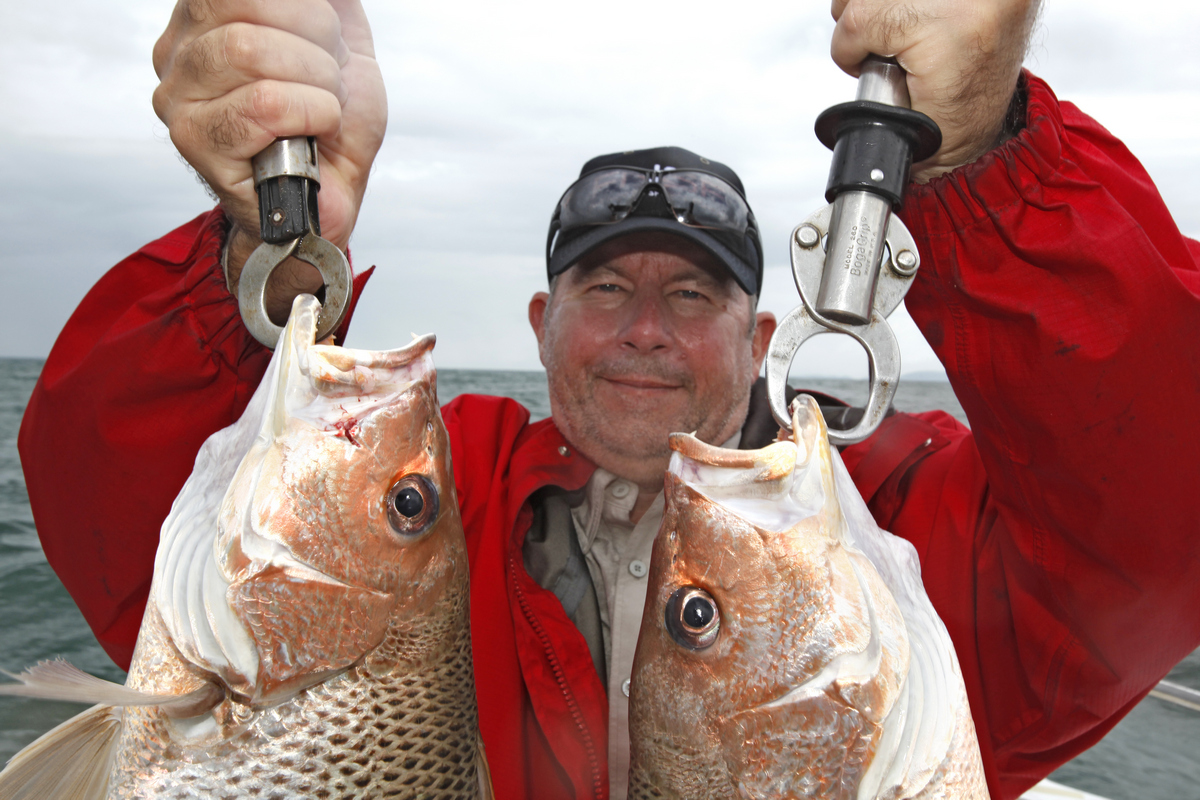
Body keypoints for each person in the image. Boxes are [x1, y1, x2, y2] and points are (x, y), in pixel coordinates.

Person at [17, 0, 1200, 798]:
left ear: (765, 336)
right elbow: (123, 500)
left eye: (693, 292)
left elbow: (1148, 529)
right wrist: (258, 251)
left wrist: (979, 155)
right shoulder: (454, 473)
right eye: (604, 284)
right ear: (541, 326)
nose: (644, 327)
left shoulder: (889, 539)